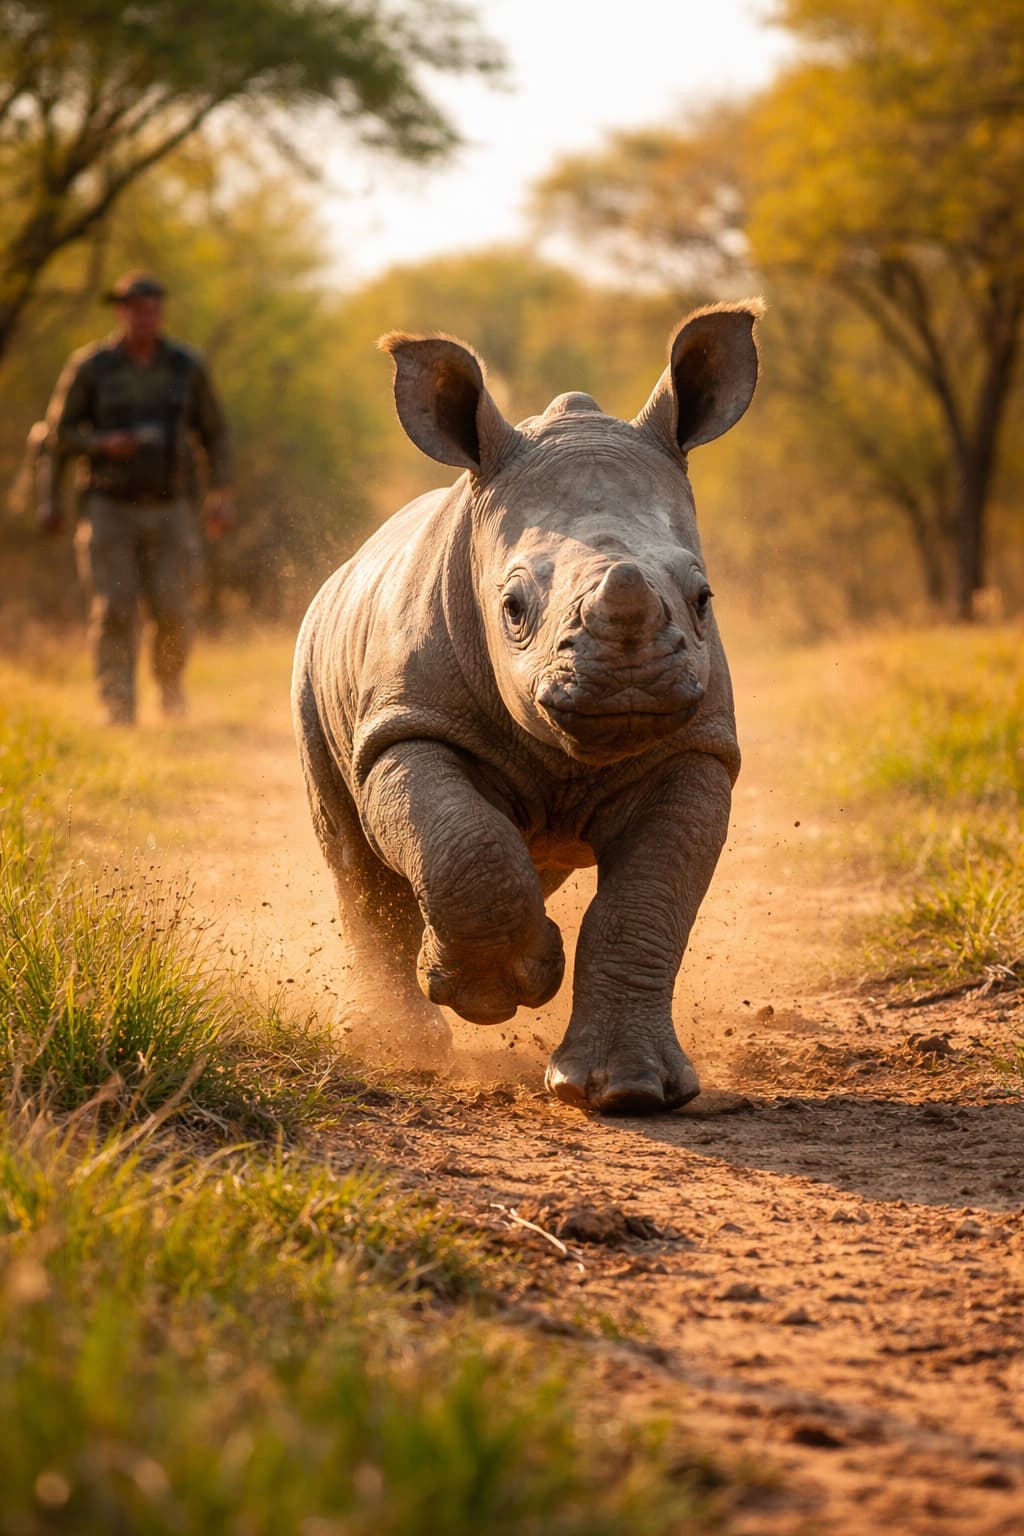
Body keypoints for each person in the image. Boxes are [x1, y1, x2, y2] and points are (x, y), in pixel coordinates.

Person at [45, 270, 233, 723]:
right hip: (109, 506)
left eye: (151, 308)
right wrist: (101, 445)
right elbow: (58, 435)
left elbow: (215, 433)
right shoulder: (90, 367)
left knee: (173, 607)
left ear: (160, 311)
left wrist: (220, 494)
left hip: (172, 507)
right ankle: (118, 704)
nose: (144, 316)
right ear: (121, 312)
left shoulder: (186, 366)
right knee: (113, 608)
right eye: (134, 307)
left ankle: (170, 689)